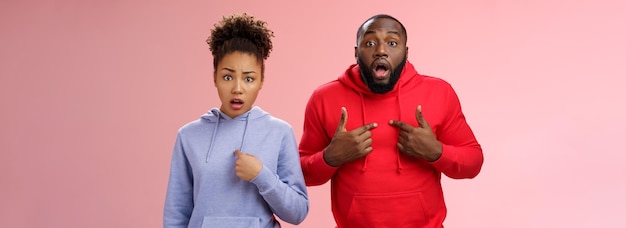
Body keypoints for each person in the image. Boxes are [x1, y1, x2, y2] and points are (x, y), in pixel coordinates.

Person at [299, 14, 483, 227]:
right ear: (356, 52)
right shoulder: (324, 98)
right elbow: (301, 174)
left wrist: (437, 152)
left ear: (406, 52)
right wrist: (330, 158)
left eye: (392, 43)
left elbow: (473, 162)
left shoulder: (439, 93)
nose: (381, 50)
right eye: (370, 43)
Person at [164, 13, 308, 228]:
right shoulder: (188, 136)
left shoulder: (279, 132)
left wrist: (261, 175)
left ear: (261, 81)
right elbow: (176, 214)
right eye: (228, 77)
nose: (238, 88)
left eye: (249, 78)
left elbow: (297, 213)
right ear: (215, 77)